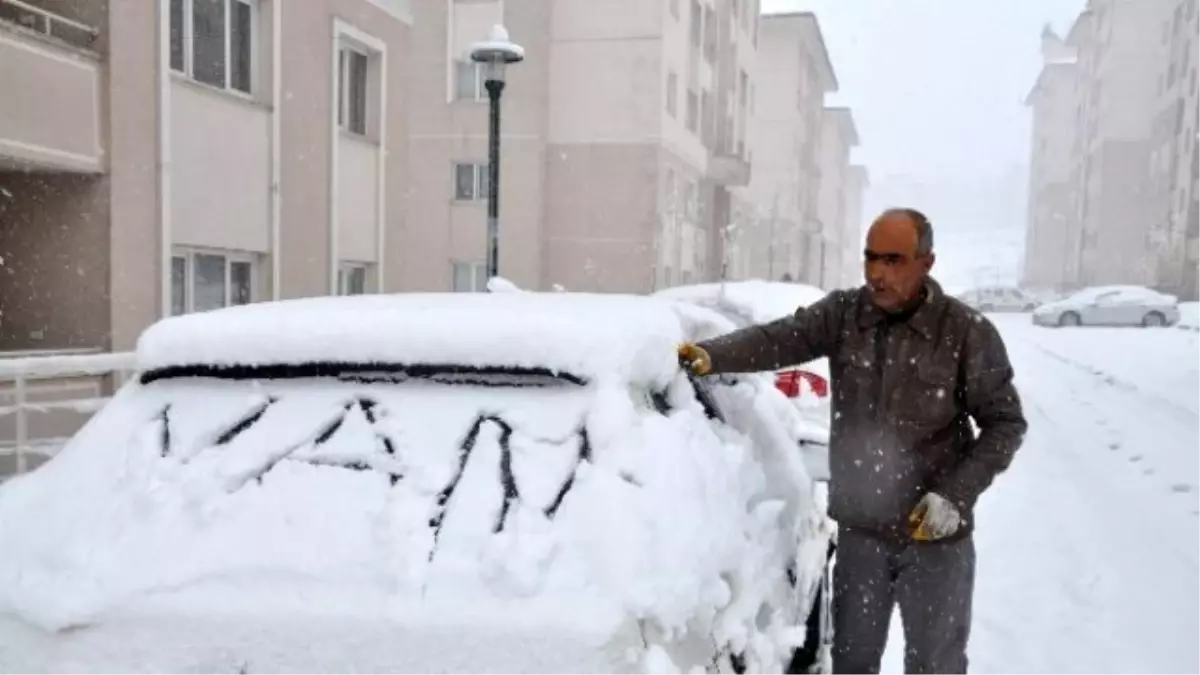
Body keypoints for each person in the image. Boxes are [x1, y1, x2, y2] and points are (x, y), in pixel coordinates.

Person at [678, 208, 1028, 675]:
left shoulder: (965, 333)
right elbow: (780, 339)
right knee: (852, 664)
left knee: (935, 666)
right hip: (863, 537)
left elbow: (1005, 424)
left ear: (927, 262)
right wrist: (711, 355)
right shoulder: (845, 315)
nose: (878, 273)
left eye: (893, 260)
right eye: (870, 259)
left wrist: (955, 496)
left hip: (936, 541)